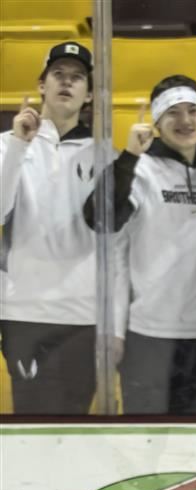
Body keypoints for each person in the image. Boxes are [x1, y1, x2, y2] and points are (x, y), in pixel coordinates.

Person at [80, 74, 196, 416]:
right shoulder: (139, 169)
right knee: (144, 443)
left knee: (195, 449)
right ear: (156, 120)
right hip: (148, 333)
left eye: (193, 111)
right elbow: (101, 220)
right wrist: (128, 157)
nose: (185, 121)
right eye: (173, 112)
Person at [0, 42, 97, 415]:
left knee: (75, 425)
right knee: (35, 421)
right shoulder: (9, 146)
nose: (67, 83)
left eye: (77, 77)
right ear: (41, 85)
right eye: (58, 74)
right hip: (25, 310)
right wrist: (19, 147)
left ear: (88, 94)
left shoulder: (101, 152)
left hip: (83, 312)